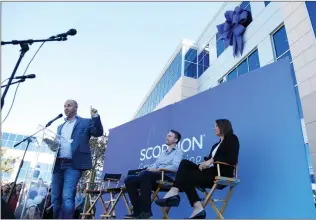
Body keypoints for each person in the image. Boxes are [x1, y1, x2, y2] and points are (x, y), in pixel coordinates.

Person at [155, 119, 239, 219]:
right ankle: (183, 197)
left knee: (186, 176)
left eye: (216, 126)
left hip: (220, 173)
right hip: (209, 171)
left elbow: (232, 159)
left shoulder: (232, 139)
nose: (214, 128)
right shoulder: (215, 145)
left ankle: (190, 203)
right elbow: (209, 161)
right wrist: (203, 163)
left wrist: (211, 160)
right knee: (184, 163)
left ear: (223, 126)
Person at [51, 100, 103, 219]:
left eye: (69, 105)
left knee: (67, 197)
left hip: (73, 164)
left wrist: (95, 117)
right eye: (64, 106)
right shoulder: (60, 126)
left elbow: (98, 132)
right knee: (55, 197)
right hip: (58, 164)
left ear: (76, 108)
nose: (66, 108)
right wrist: (52, 145)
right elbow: (56, 145)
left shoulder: (85, 122)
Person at [124, 130, 184, 219]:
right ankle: (137, 211)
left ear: (176, 140)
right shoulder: (162, 153)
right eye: (167, 135)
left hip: (167, 178)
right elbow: (154, 165)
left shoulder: (178, 151)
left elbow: (175, 167)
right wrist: (148, 169)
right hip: (153, 177)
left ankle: (146, 211)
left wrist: (157, 170)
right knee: (129, 179)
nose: (166, 137)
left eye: (170, 136)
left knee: (145, 175)